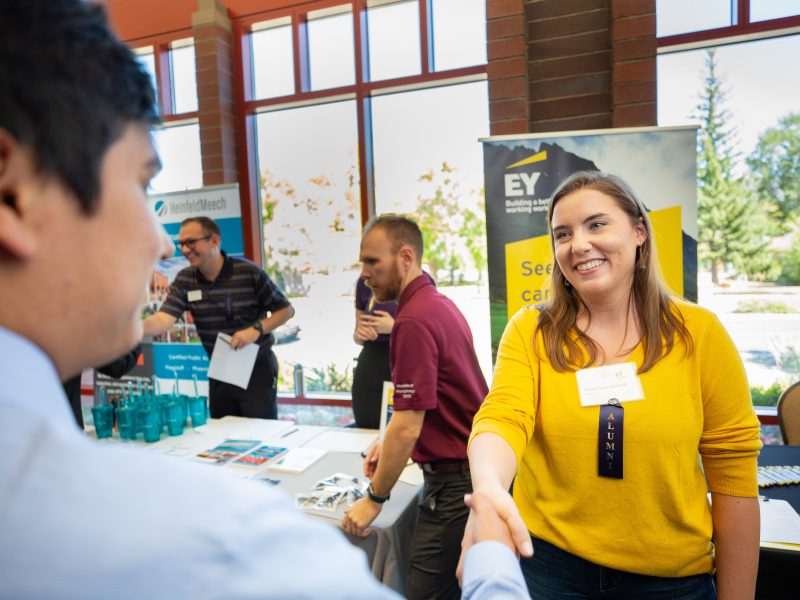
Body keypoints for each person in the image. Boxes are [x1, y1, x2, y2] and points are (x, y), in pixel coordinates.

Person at [0, 2, 527, 597]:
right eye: (139, 186)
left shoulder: (382, 308)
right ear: (16, 195)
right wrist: (490, 557)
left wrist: (259, 333)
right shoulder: (216, 542)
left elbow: (377, 391)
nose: (160, 242)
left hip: (279, 388)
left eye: (149, 189)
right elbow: (165, 318)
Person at [463, 171, 762, 599]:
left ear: (639, 231)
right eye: (562, 234)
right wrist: (489, 487)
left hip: (668, 582)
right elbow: (504, 417)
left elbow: (733, 474)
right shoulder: (531, 330)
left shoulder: (700, 334)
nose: (578, 244)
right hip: (549, 568)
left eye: (597, 224)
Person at [342, 215, 489, 600]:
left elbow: (408, 425)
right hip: (468, 472)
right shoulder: (437, 304)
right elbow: (429, 405)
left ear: (405, 256)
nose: (365, 274)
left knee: (426, 593)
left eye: (372, 262)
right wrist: (388, 444)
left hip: (455, 484)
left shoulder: (413, 321)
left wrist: (373, 500)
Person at [142, 216, 294, 419]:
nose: (185, 250)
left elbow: (286, 310)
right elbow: (164, 318)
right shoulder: (185, 279)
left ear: (214, 240)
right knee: (221, 435)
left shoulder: (248, 272)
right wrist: (134, 328)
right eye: (181, 244)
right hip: (220, 369)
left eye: (191, 242)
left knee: (258, 434)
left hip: (256, 368)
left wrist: (255, 330)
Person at [351, 276, 396, 428]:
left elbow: (430, 336)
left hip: (403, 360)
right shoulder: (365, 281)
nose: (366, 270)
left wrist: (395, 327)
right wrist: (360, 334)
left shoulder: (420, 280)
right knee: (365, 429)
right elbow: (357, 335)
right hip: (370, 364)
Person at [62, 344, 142, 429]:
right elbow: (118, 366)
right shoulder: (75, 333)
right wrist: (137, 338)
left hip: (54, 421)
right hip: (66, 425)